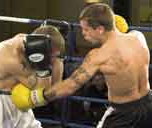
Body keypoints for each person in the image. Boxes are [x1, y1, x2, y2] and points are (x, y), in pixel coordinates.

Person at [12, 3, 152, 128]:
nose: (83, 34)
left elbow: (70, 86)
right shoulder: (138, 37)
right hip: (148, 105)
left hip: (123, 115)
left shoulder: (98, 56)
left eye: (86, 29)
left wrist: (36, 97)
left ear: (100, 29)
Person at [0, 25, 65, 128]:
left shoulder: (27, 41)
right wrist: (44, 67)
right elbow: (42, 93)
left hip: (13, 97)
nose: (51, 62)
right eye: (50, 57)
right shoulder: (12, 59)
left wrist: (58, 59)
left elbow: (55, 88)